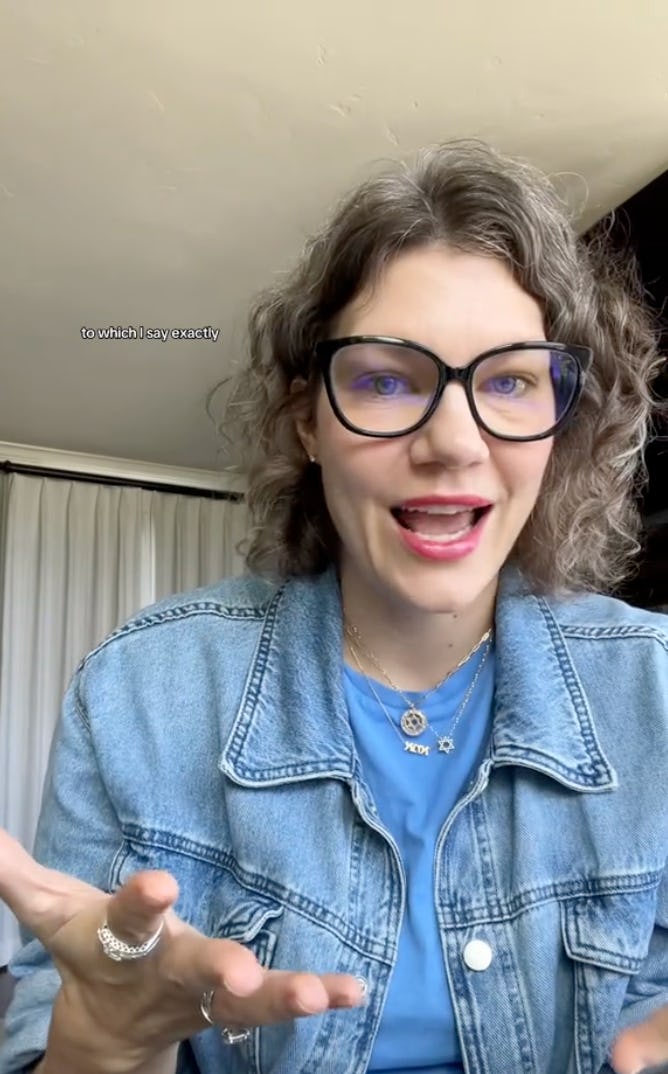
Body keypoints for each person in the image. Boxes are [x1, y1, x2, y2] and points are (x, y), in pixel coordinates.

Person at [0, 140, 667, 1074]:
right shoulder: (142, 693)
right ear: (309, 420)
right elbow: (60, 1031)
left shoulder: (657, 691)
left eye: (511, 381)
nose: (452, 442)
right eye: (387, 379)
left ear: (562, 426)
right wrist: (97, 1048)